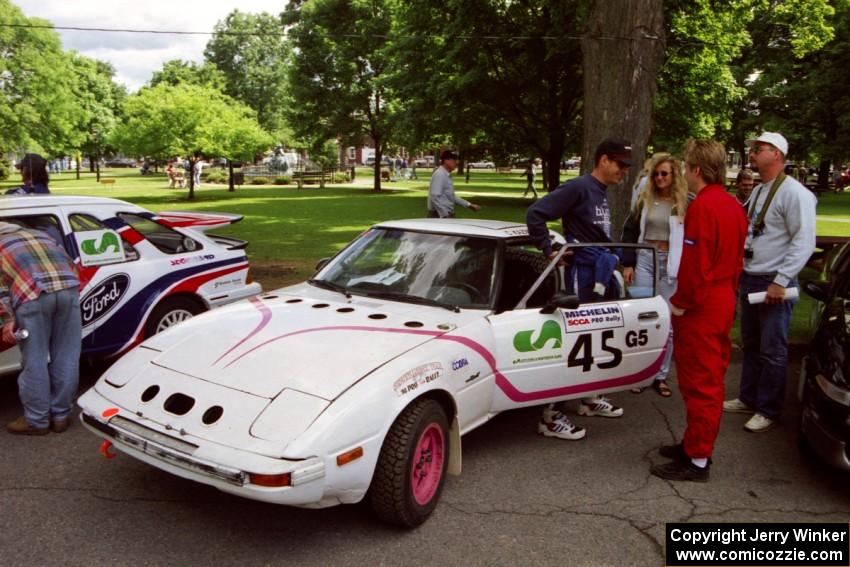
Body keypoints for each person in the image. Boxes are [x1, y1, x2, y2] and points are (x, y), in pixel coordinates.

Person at [650, 139, 747, 482]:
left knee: (701, 382)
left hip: (703, 304)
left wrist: (679, 303)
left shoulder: (704, 207)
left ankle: (699, 458)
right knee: (707, 378)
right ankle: (694, 445)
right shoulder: (733, 204)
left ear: (695, 169)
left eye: (685, 166)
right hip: (721, 298)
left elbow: (696, 267)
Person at [525, 138, 633, 441]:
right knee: (576, 341)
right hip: (582, 275)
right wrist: (549, 248)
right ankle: (551, 415)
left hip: (600, 270)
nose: (623, 171)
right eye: (620, 164)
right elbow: (536, 214)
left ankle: (588, 397)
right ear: (603, 160)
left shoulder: (599, 191)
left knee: (597, 340)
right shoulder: (579, 187)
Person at [723, 132, 816, 433]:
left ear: (776, 154)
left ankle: (769, 408)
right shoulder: (762, 190)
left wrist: (781, 280)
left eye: (758, 149)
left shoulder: (794, 193)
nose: (752, 153)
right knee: (751, 343)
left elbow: (803, 241)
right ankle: (749, 397)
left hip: (774, 280)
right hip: (753, 275)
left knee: (773, 348)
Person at [0, 221, 81, 435]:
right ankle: (61, 416)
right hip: (69, 290)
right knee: (67, 356)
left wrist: (7, 319)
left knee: (34, 359)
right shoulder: (40, 234)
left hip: (32, 296)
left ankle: (36, 421)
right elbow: (72, 266)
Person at [621, 153, 690, 397]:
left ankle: (660, 375)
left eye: (665, 174)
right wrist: (628, 263)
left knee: (667, 321)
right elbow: (629, 230)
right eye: (656, 174)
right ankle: (640, 372)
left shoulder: (684, 203)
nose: (660, 178)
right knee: (642, 316)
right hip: (645, 259)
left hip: (670, 264)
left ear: (674, 176)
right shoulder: (644, 200)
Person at [427, 150, 481, 217]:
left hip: (444, 214)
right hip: (439, 215)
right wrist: (444, 215)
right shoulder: (440, 174)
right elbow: (434, 196)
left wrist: (469, 205)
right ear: (446, 161)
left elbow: (451, 197)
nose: (456, 162)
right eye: (454, 160)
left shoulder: (446, 175)